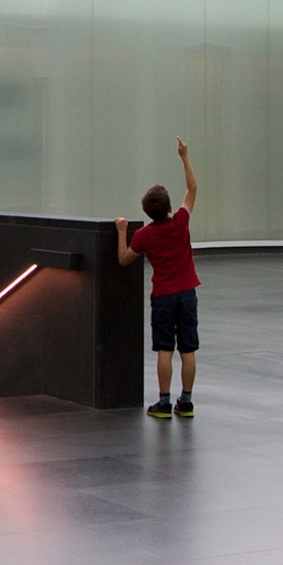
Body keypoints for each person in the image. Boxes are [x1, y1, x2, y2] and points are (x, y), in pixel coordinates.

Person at [115, 139, 200, 419]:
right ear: (169, 206)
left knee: (164, 348)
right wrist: (185, 157)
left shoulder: (144, 235)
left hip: (163, 295)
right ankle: (185, 402)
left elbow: (124, 259)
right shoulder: (181, 223)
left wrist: (121, 230)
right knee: (188, 348)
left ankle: (163, 402)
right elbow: (192, 189)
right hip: (187, 292)